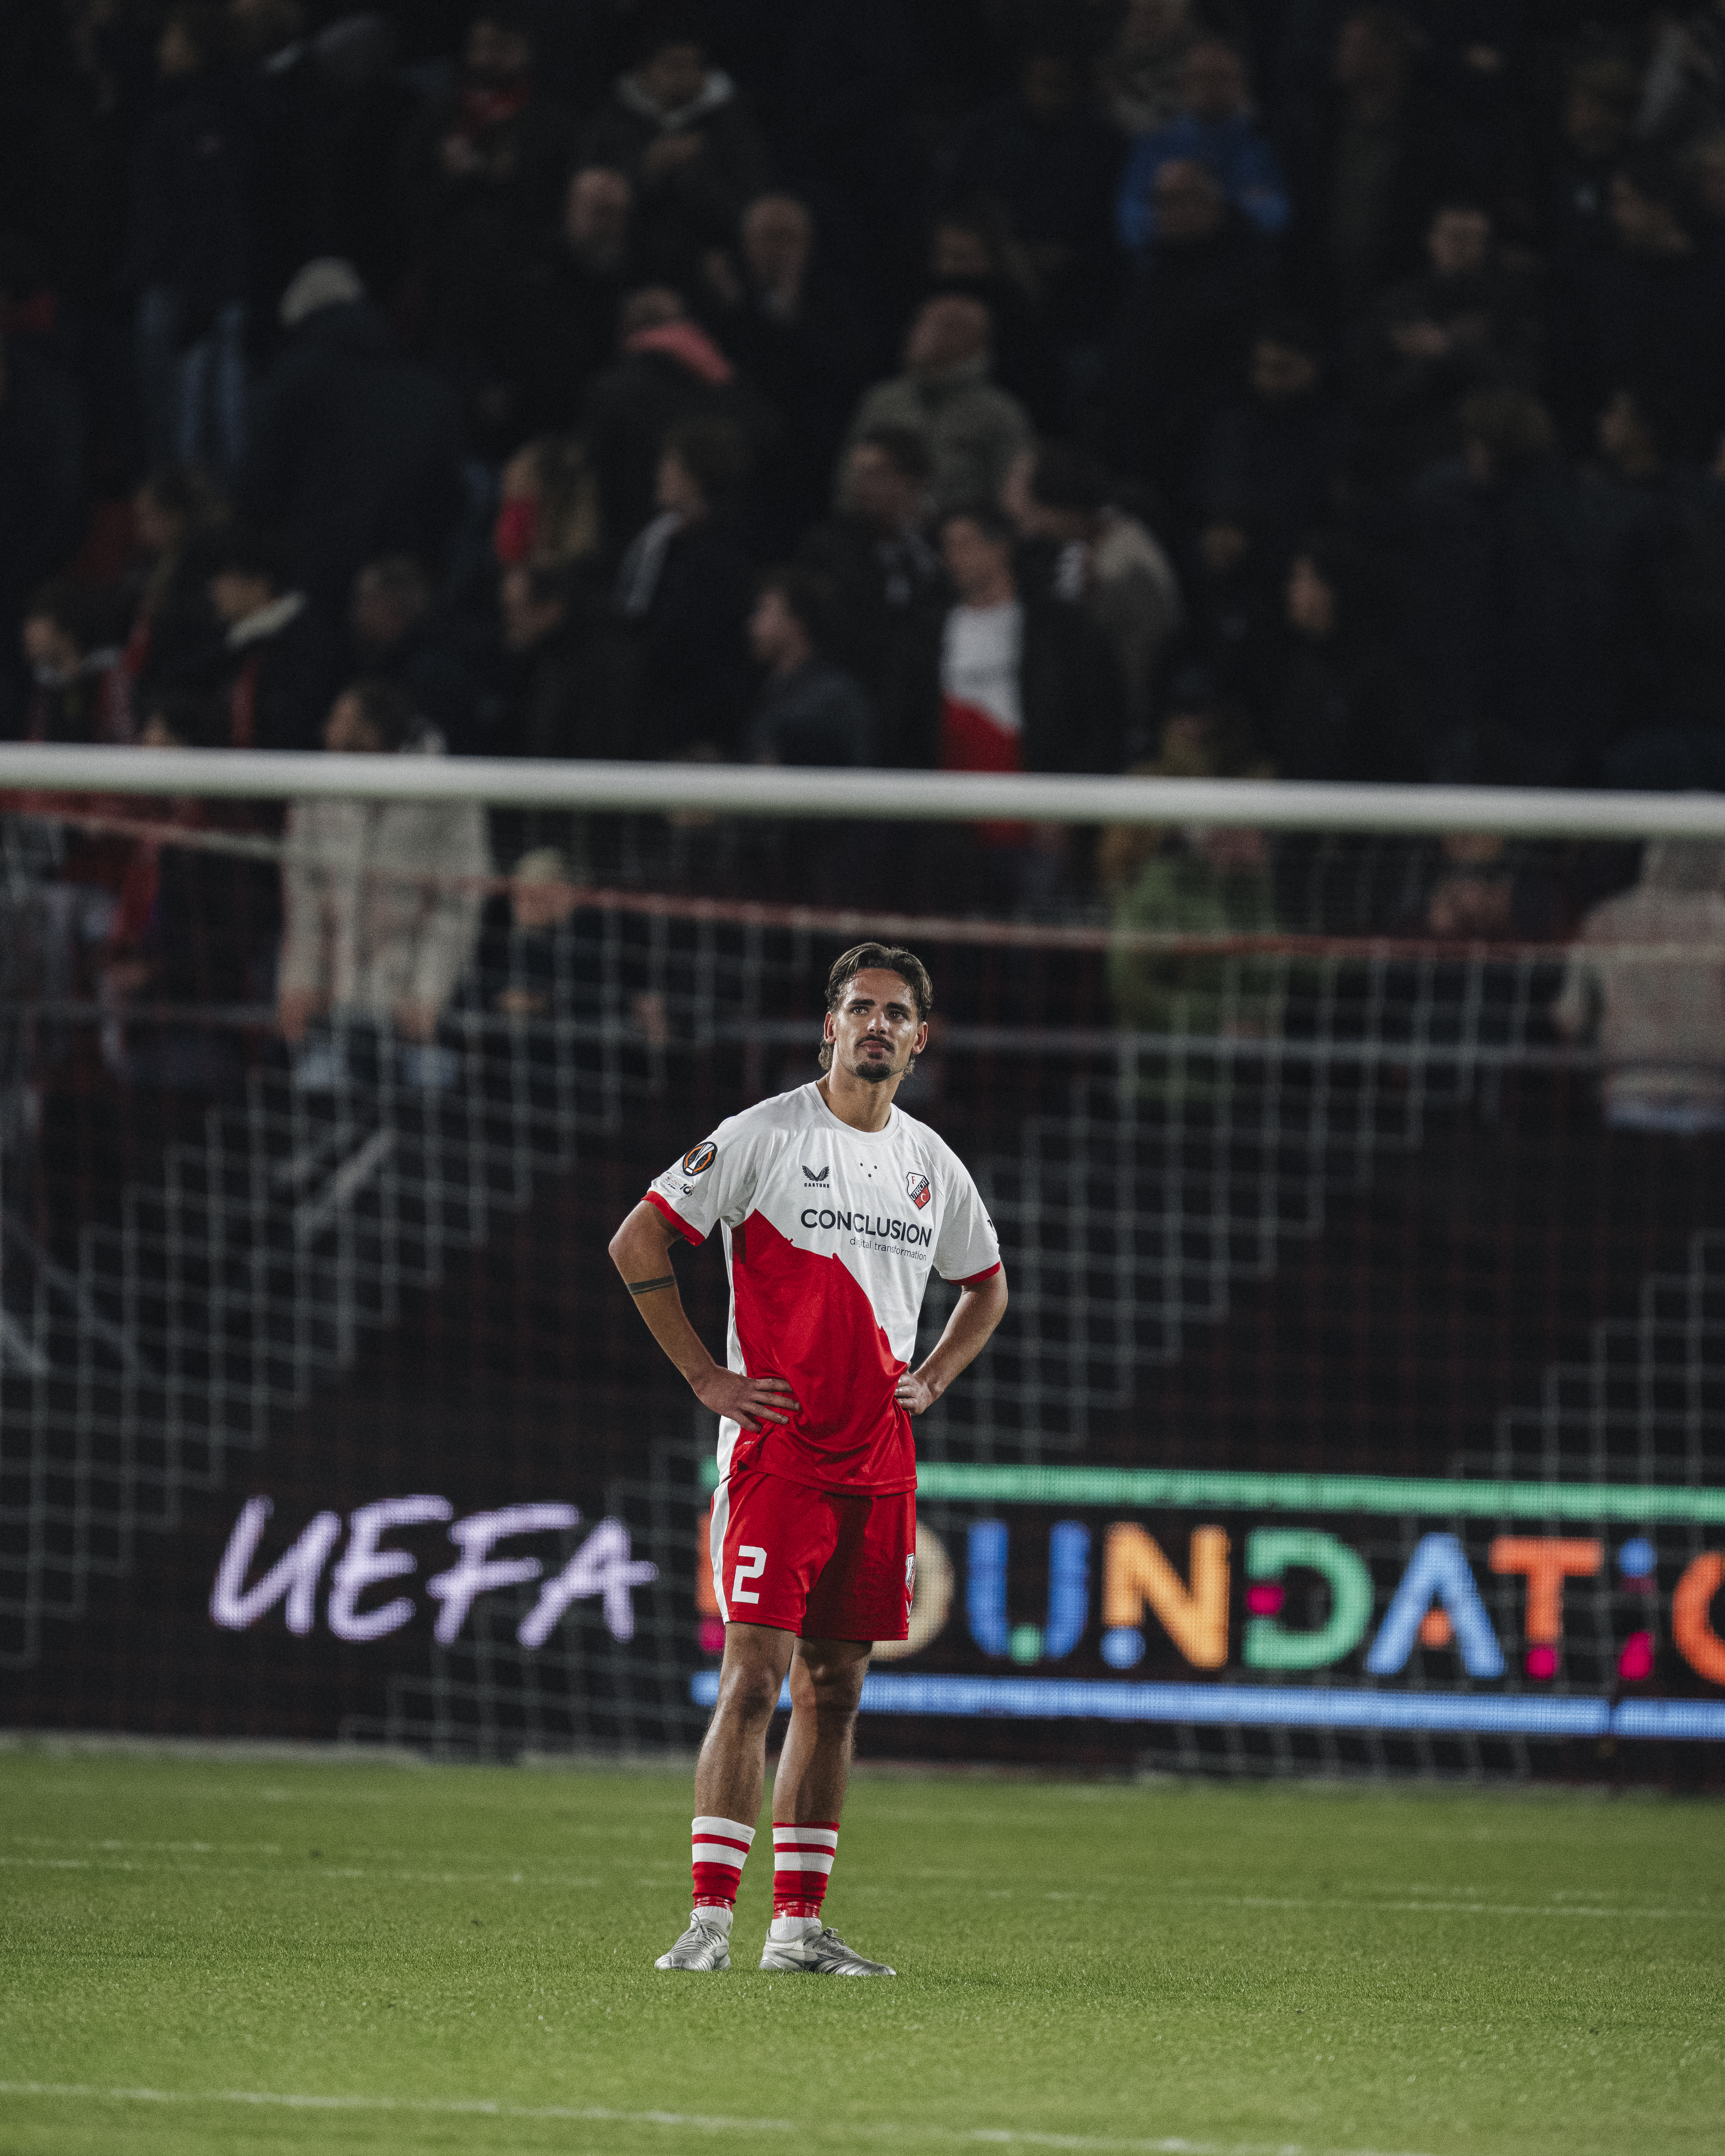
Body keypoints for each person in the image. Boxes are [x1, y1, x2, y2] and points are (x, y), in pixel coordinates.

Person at [608, 942, 1007, 1976]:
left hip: (878, 1465)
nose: (878, 1025)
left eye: (897, 1013)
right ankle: (707, 1920)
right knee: (753, 1678)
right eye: (861, 1008)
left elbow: (987, 1284)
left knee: (837, 1688)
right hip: (777, 1457)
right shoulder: (763, 1135)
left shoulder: (930, 1162)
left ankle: (796, 1927)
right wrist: (706, 1376)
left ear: (920, 1039)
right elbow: (638, 1242)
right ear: (828, 1026)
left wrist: (936, 1373)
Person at [277, 676, 490, 1092]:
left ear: (373, 733)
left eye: (341, 719)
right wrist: (301, 983)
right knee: (317, 1086)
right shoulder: (315, 791)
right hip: (337, 1005)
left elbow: (457, 904)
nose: (327, 730)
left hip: (422, 1011)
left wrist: (427, 995)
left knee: (429, 1087)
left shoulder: (450, 794)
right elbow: (305, 899)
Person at [239, 259, 466, 612]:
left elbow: (259, 488)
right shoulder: (426, 389)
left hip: (316, 580)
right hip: (406, 586)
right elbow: (449, 497)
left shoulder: (294, 379)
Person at [1000, 444, 1182, 741]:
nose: (1035, 521)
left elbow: (1140, 657)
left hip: (1123, 717)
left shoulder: (1121, 564)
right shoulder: (1080, 542)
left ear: (1064, 511)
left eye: (1041, 511)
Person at [579, 13, 772, 285]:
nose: (684, 76)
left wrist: (695, 173)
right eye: (672, 65)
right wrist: (648, 166)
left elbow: (750, 201)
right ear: (644, 71)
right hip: (626, 261)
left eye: (693, 66)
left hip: (712, 258)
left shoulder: (731, 123)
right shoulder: (613, 120)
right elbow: (588, 197)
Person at [1553, 840, 1725, 1134]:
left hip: (1630, 1098)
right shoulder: (1719, 924)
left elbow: (1569, 1017)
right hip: (1711, 1103)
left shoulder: (1605, 920)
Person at [796, 428, 946, 762]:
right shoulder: (828, 547)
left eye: (875, 473)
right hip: (850, 711)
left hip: (925, 713)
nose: (860, 485)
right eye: (857, 473)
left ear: (912, 481)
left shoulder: (943, 549)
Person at [614, 416, 758, 759]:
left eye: (670, 463)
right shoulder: (658, 542)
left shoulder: (720, 554)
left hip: (695, 728)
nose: (660, 472)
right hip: (653, 717)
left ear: (696, 474)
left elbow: (700, 646)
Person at [839, 295, 1032, 516]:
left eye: (927, 325)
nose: (913, 335)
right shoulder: (884, 400)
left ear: (962, 337)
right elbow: (848, 475)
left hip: (958, 537)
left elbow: (1010, 493)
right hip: (874, 530)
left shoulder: (999, 413)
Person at [1116, 36, 1290, 256]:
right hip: (1168, 268)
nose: (1213, 87)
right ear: (1184, 85)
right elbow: (1130, 218)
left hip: (1238, 269)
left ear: (1241, 86)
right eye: (1202, 78)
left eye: (1223, 77)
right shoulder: (1155, 145)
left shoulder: (1259, 146)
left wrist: (1213, 207)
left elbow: (1278, 213)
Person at [204, 525, 342, 750]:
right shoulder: (234, 648)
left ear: (260, 585)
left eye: (227, 577)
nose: (215, 588)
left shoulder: (305, 648)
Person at [746, 567, 874, 767]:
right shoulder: (769, 691)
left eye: (765, 610)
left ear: (796, 624)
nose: (753, 624)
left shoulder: (835, 697)